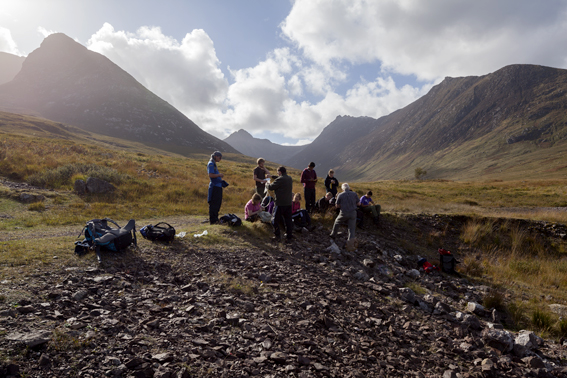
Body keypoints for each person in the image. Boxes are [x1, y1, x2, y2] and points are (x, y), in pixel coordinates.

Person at [266, 166, 294, 242]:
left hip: (280, 203)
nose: (277, 174)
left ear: (280, 172)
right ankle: (289, 235)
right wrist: (272, 176)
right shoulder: (289, 178)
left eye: (278, 172)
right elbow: (279, 178)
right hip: (288, 203)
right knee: (288, 220)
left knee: (274, 220)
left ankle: (277, 236)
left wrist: (267, 182)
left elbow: (271, 187)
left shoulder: (280, 179)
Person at [207, 151, 224, 224]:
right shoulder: (211, 164)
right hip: (214, 186)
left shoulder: (214, 164)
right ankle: (213, 220)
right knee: (214, 203)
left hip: (218, 186)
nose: (220, 159)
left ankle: (216, 218)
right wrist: (219, 175)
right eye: (219, 157)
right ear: (215, 156)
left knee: (218, 203)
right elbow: (210, 175)